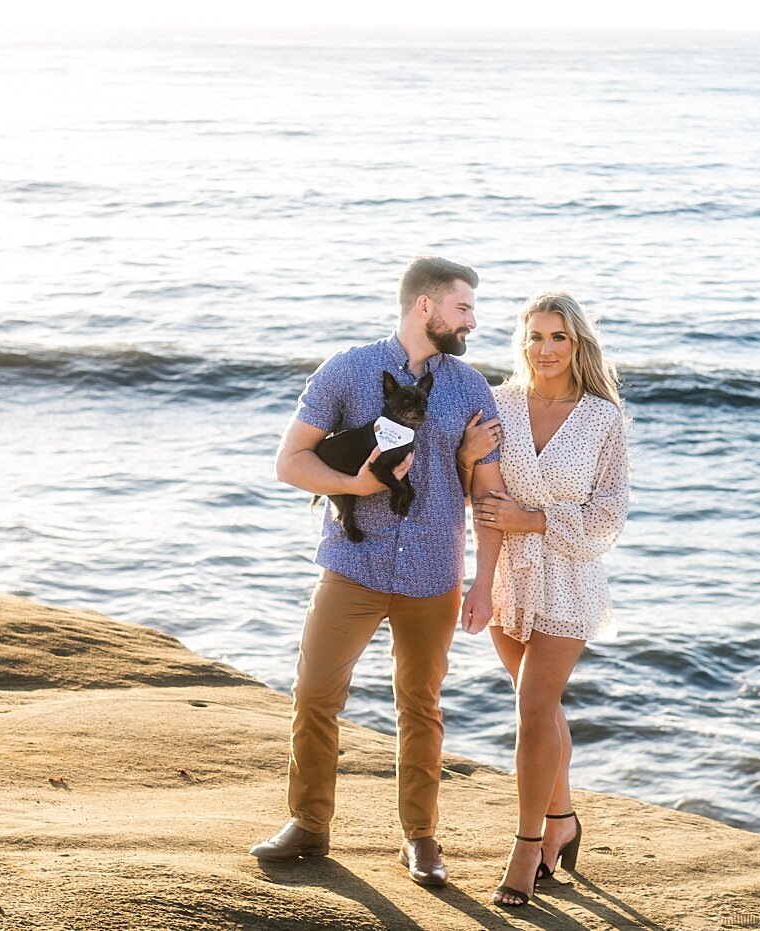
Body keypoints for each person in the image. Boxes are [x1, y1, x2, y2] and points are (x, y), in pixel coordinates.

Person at [250, 256, 506, 888]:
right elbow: (290, 462)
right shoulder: (347, 369)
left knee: (421, 707)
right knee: (314, 695)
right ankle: (309, 822)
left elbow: (488, 492)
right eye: (463, 308)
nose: (472, 321)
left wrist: (483, 581)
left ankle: (420, 839)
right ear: (426, 306)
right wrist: (351, 483)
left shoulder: (471, 387)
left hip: (433, 572)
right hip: (351, 562)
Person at [457, 291, 629, 908]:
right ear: (522, 341)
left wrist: (534, 519)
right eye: (535, 336)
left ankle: (527, 846)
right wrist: (468, 456)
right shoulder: (497, 404)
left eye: (559, 337)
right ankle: (563, 821)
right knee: (541, 705)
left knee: (533, 705)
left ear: (578, 343)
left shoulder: (602, 418)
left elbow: (609, 514)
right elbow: (477, 499)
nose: (546, 349)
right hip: (507, 576)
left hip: (569, 574)